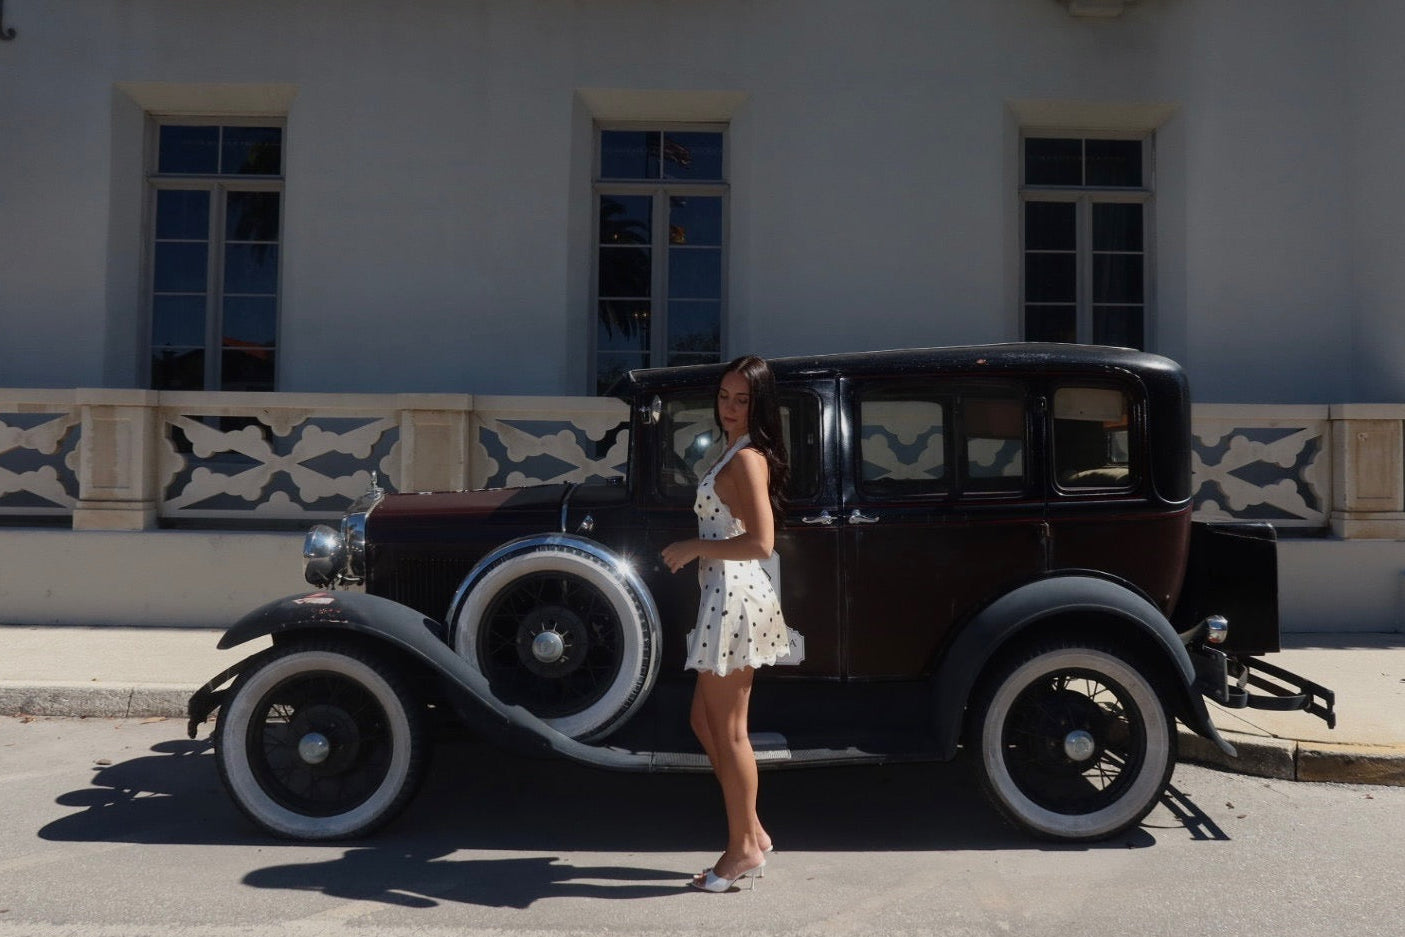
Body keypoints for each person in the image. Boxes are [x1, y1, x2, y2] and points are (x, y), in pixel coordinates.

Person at [661, 354, 795, 893]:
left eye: (742, 400)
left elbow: (762, 542)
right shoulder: (733, 451)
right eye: (724, 397)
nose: (730, 408)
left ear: (759, 404)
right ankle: (753, 833)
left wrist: (693, 546)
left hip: (735, 597)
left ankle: (741, 848)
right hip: (724, 596)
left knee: (731, 731)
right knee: (705, 721)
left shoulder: (748, 460)